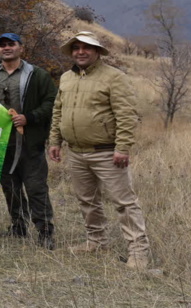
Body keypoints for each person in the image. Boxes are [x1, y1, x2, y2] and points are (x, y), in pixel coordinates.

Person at [48, 31, 150, 269]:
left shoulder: (114, 77)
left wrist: (122, 147)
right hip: (75, 151)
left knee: (124, 203)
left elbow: (126, 114)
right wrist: (55, 141)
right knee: (87, 200)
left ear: (97, 52)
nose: (80, 52)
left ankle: (138, 253)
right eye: (76, 48)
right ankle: (95, 242)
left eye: (86, 47)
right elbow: (57, 111)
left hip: (107, 152)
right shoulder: (66, 78)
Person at [0, 33, 57, 249]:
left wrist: (29, 117)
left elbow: (52, 102)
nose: (6, 48)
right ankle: (18, 226)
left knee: (35, 187)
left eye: (11, 44)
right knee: (10, 187)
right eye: (2, 45)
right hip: (1, 144)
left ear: (21, 48)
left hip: (30, 143)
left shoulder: (37, 75)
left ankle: (45, 231)